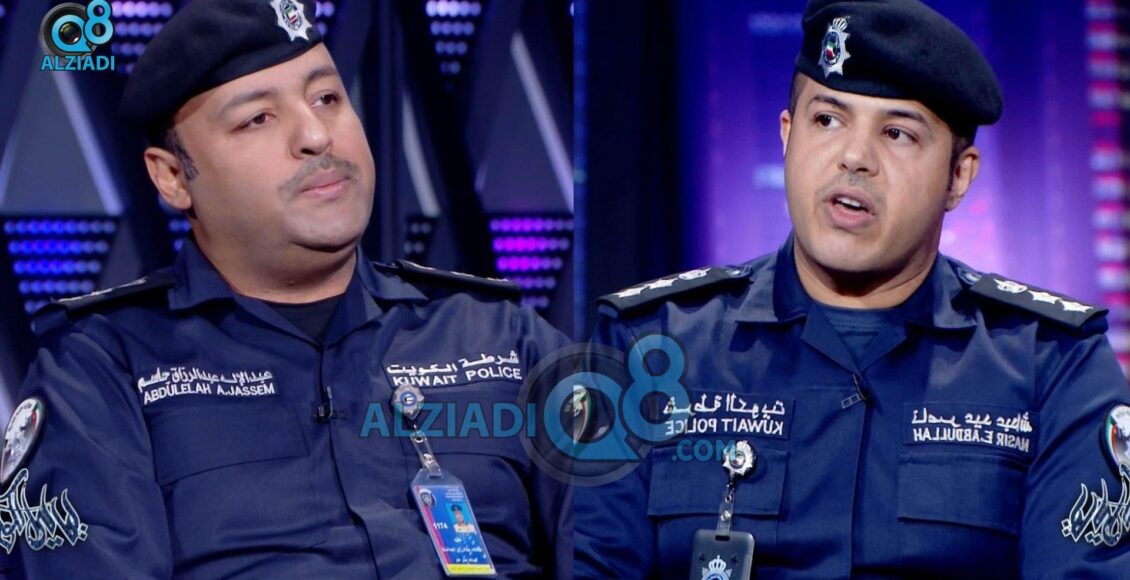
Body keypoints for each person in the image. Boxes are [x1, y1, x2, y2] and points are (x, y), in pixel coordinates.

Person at [1, 0, 571, 577]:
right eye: (258, 119)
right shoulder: (102, 371)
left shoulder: (505, 338)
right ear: (172, 176)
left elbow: (611, 543)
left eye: (327, 98)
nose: (317, 136)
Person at [574, 0, 1130, 577]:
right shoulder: (647, 345)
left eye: (897, 133)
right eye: (827, 120)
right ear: (787, 135)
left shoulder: (1053, 364)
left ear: (958, 175)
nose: (855, 158)